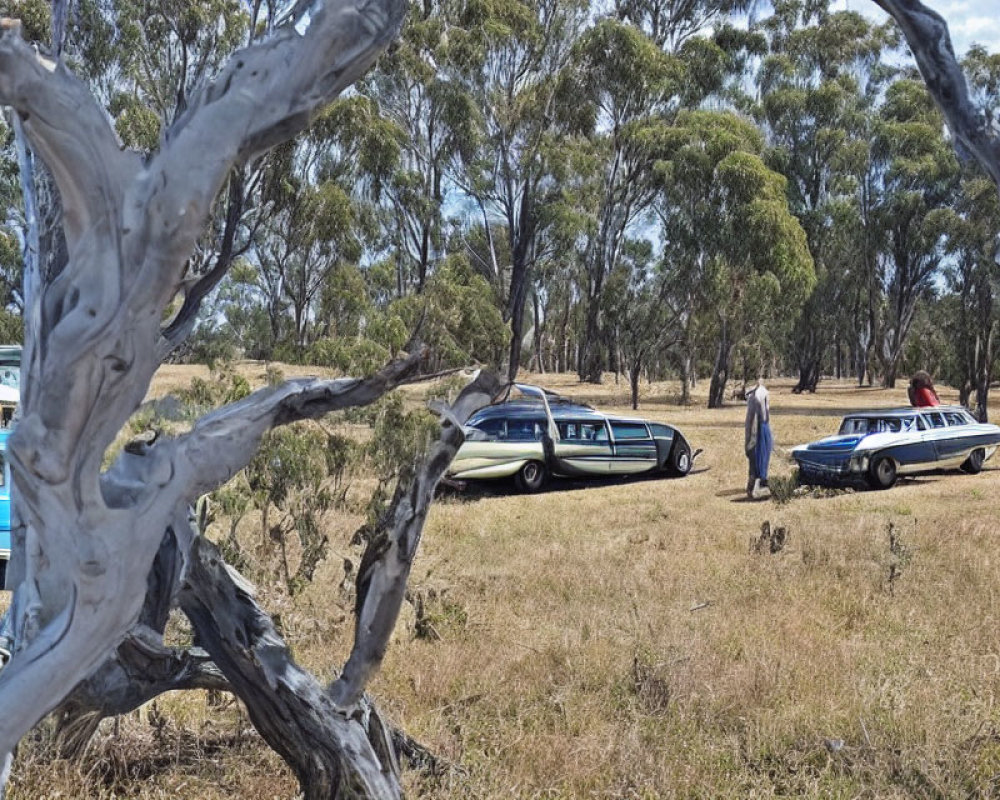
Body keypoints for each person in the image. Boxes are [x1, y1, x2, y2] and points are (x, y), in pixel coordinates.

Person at [745, 378, 773, 500]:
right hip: (759, 430)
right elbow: (754, 420)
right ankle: (754, 487)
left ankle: (756, 485)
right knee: (757, 458)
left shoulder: (757, 396)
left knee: (760, 458)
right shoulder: (755, 398)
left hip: (761, 429)